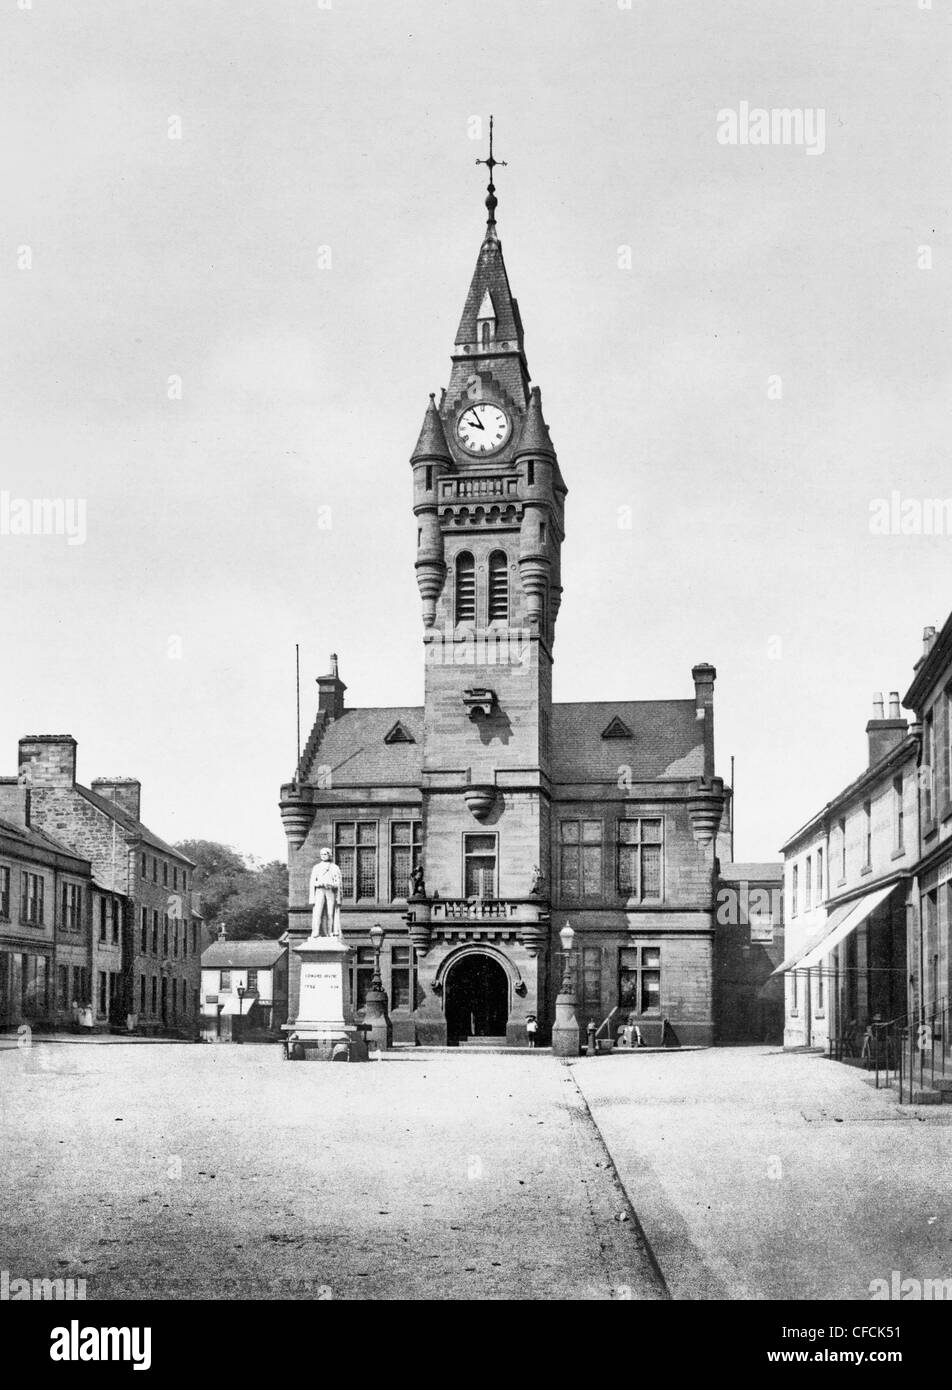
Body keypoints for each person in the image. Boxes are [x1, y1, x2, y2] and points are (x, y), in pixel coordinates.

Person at [308, 848, 343, 938]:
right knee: (318, 911)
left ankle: (330, 932)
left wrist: (331, 884)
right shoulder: (316, 867)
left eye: (325, 854)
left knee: (330, 912)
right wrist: (319, 883)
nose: (323, 856)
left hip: (330, 891)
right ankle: (316, 931)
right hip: (319, 891)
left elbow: (338, 883)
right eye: (322, 854)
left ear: (329, 855)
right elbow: (312, 882)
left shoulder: (334, 867)